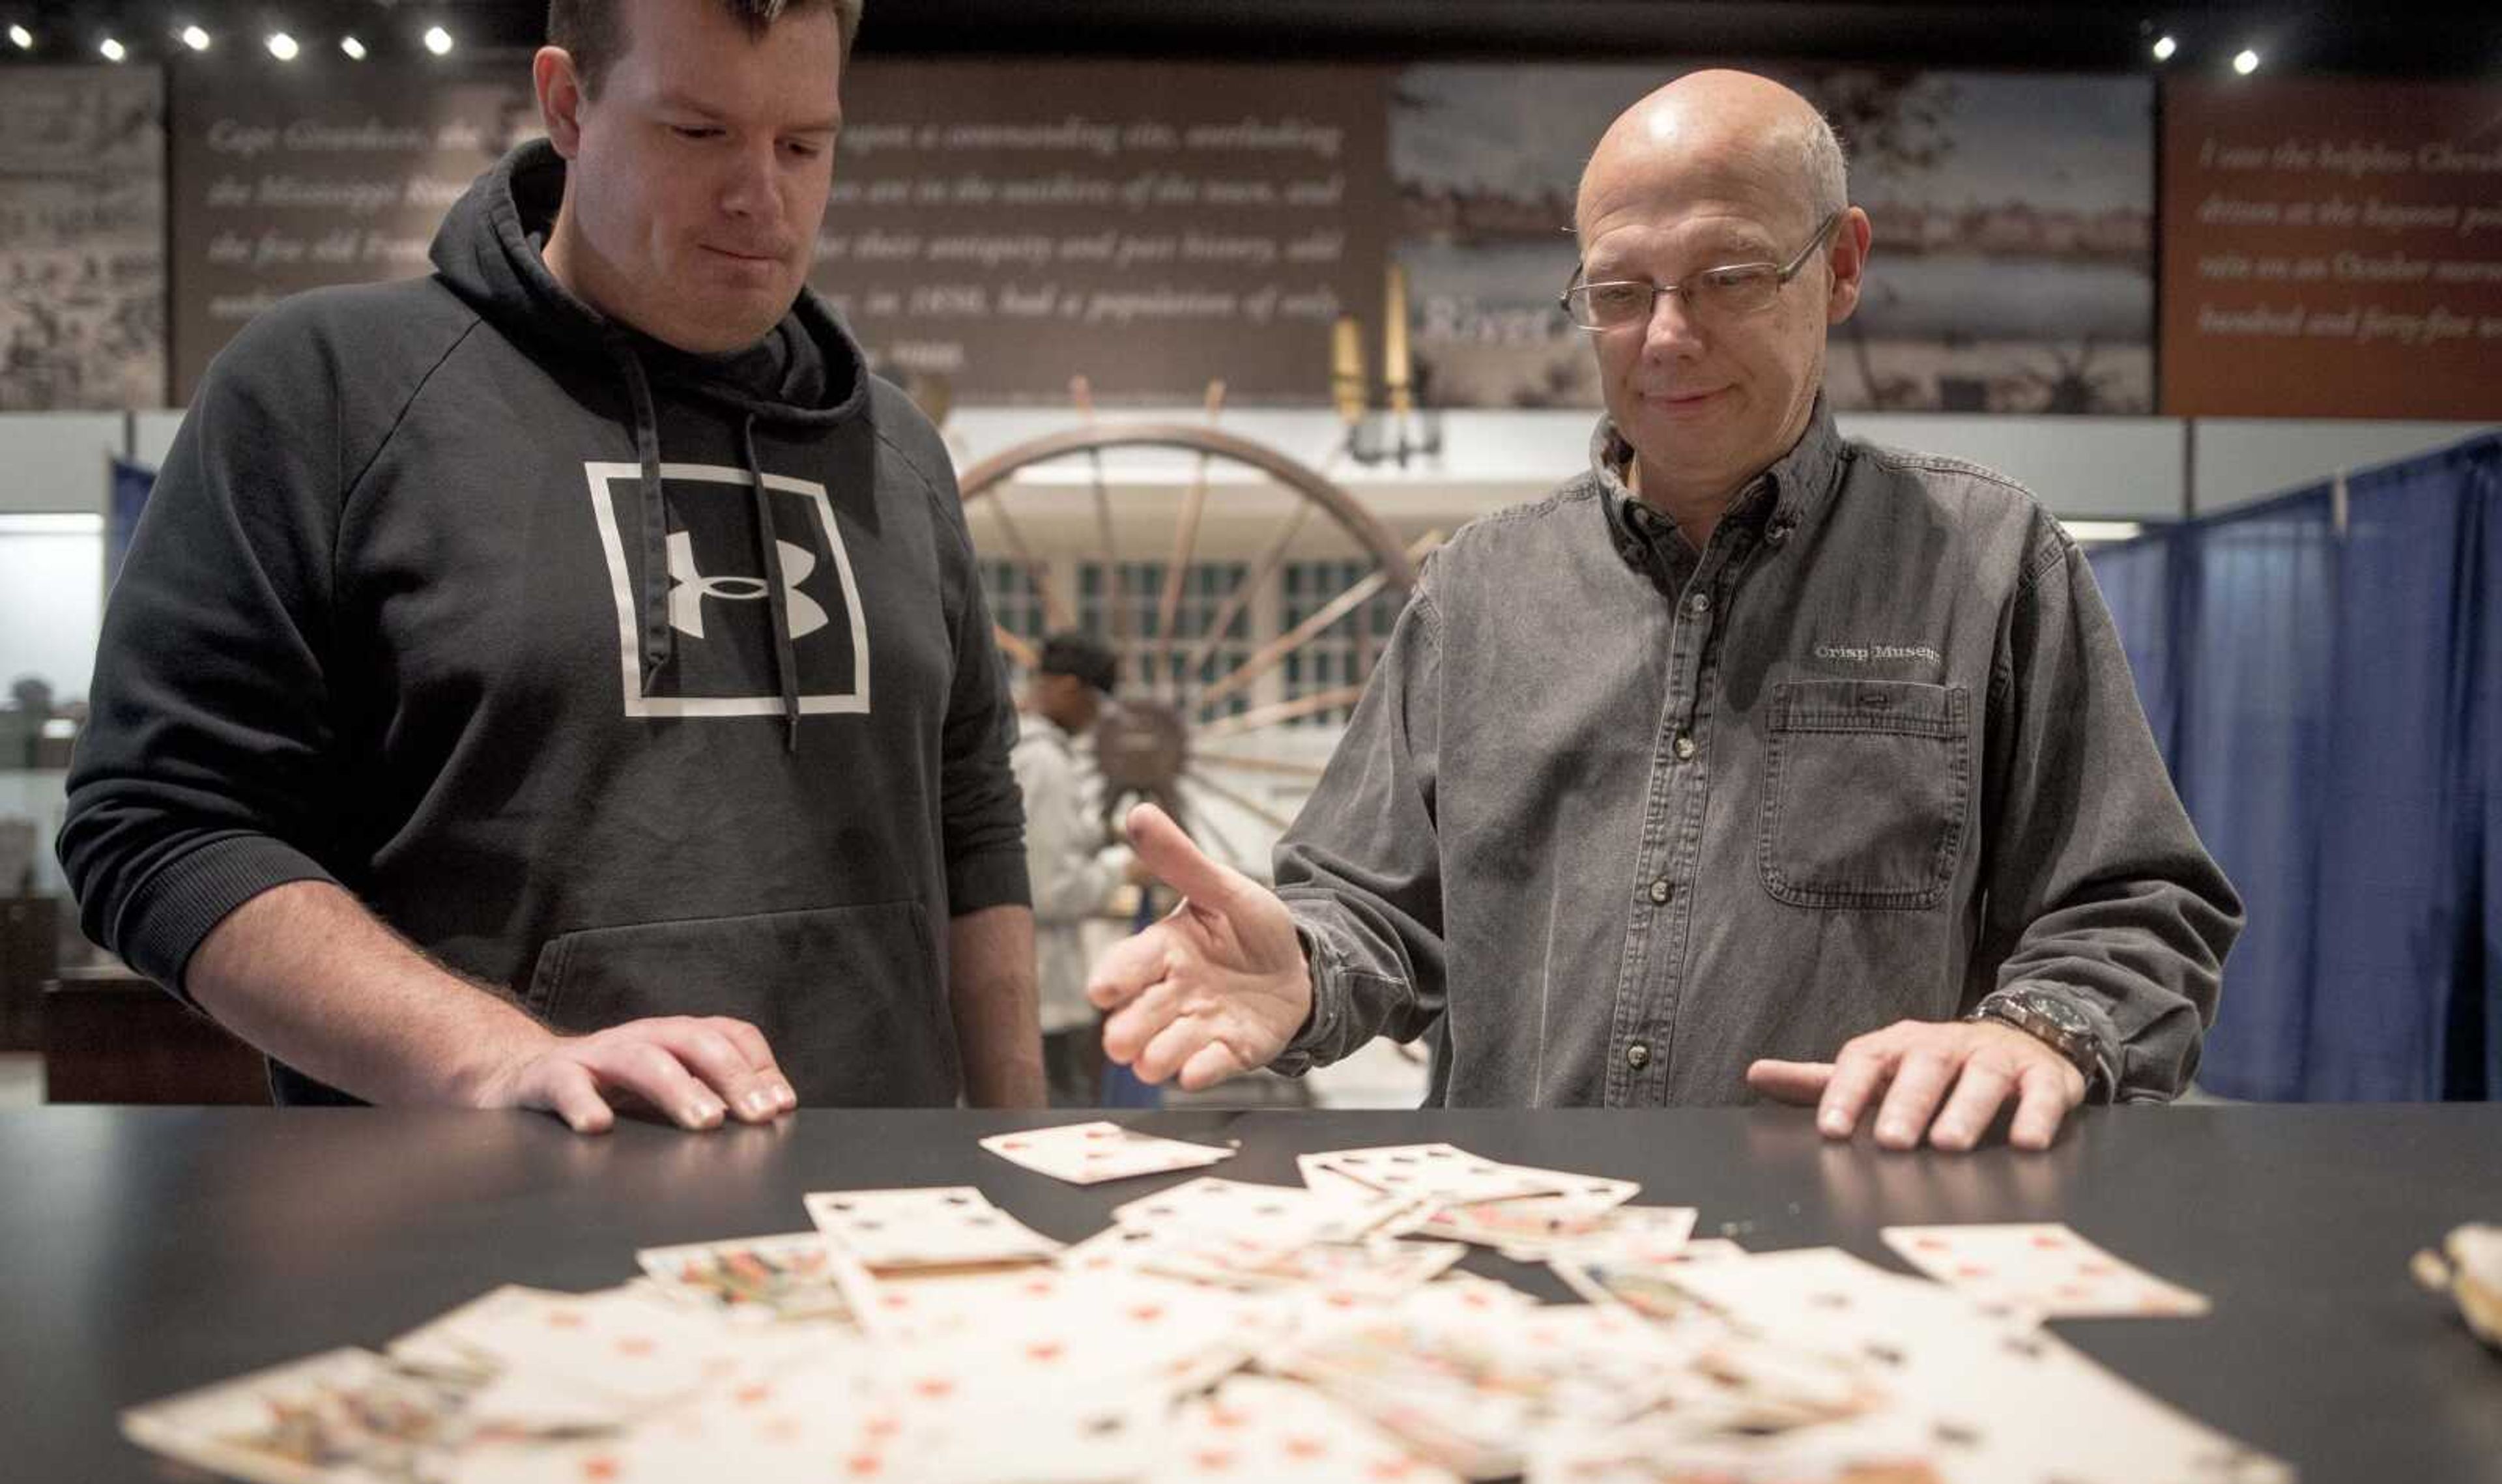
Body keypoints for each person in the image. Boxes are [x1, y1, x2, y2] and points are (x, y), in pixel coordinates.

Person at [1087, 69, 2241, 1152]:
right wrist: (1302, 963)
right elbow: (1372, 911)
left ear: (1841, 266)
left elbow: (2135, 904)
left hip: (1847, 1252)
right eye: (1620, 292)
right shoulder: (1478, 593)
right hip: (1518, 1249)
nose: (1669, 337)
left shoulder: (1989, 564)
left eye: (1729, 279)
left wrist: (2034, 1031)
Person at [56, 0, 1046, 1130]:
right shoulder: (326, 388)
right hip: (483, 1242)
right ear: (568, 104)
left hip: (888, 1235)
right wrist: (493, 1057)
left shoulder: (899, 453)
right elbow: (159, 822)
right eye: (697, 134)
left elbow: (972, 817)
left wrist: (1017, 1147)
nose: (761, 197)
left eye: (803, 145)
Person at [1009, 633, 1139, 1107]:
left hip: (1031, 988)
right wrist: (1123, 868)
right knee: (1062, 1124)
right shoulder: (1043, 761)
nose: (1098, 715)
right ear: (1067, 686)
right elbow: (1050, 889)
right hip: (1047, 996)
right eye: (1097, 698)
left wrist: (1102, 835)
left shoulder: (1020, 749)